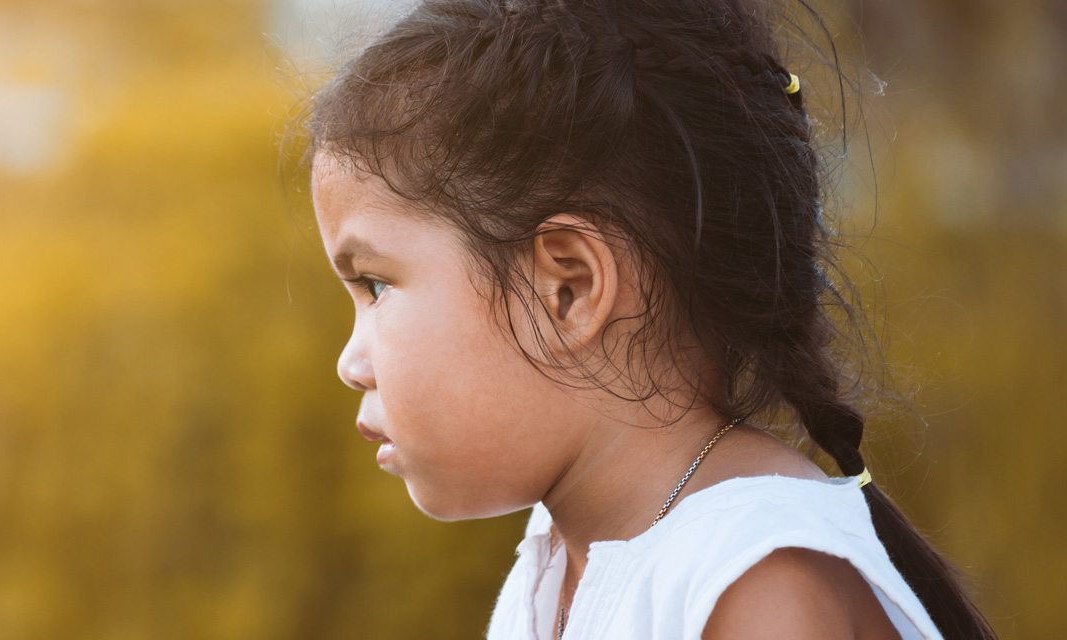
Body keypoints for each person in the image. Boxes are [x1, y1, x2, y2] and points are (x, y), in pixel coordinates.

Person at [302, 1, 996, 638]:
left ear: (567, 288)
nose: (350, 361)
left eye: (375, 285)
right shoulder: (557, 562)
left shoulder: (760, 584)